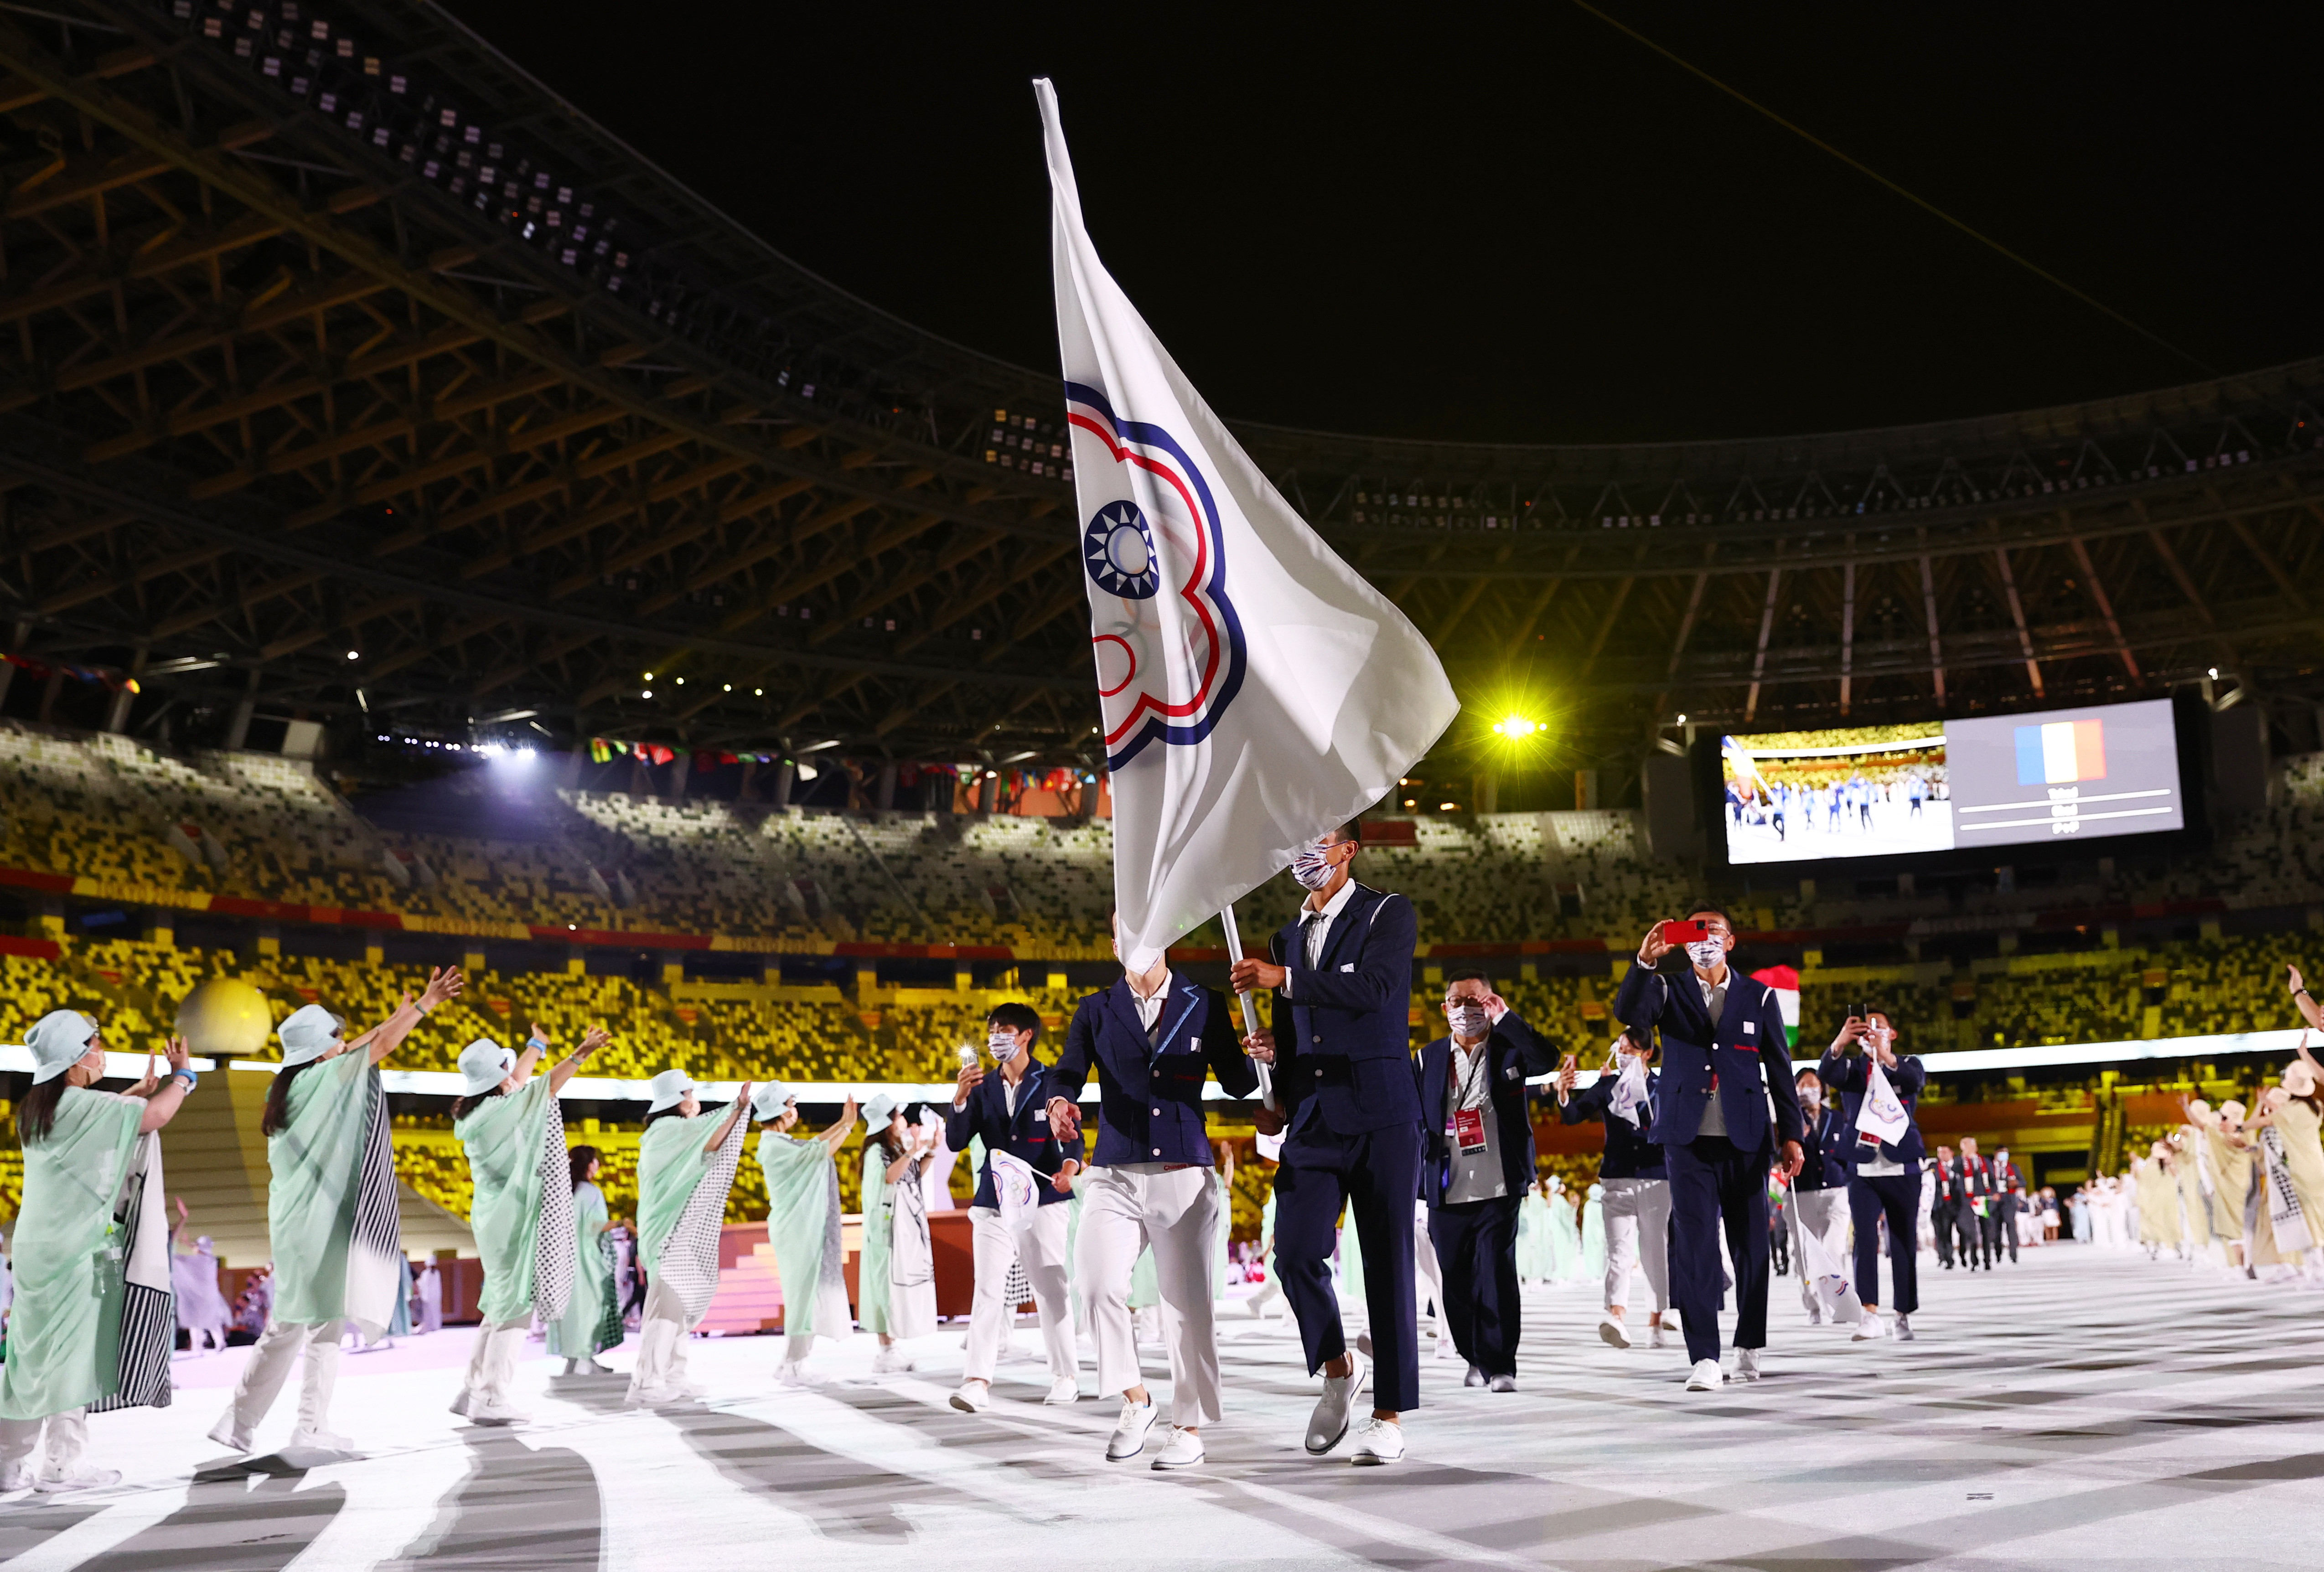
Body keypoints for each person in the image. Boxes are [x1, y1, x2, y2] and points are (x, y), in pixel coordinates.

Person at [1231, 820, 1423, 1465]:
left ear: (1349, 850)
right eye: (1296, 842)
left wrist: (1283, 979)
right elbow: (1299, 1034)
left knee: (1388, 1268)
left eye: (1321, 841)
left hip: (1382, 1115)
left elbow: (1376, 993)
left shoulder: (1386, 915)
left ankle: (1389, 1416)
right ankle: (1338, 1366)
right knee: (1293, 1254)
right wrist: (1274, 1069)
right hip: (1312, 1120)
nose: (1305, 854)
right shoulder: (1287, 935)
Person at [211, 971, 464, 1454]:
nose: (345, 1042)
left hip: (293, 1223)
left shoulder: (289, 1087)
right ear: (321, 1049)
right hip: (321, 1223)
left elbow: (364, 1045)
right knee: (324, 1326)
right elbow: (378, 1048)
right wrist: (427, 1004)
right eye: (337, 1038)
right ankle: (309, 1425)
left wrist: (396, 1015)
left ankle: (238, 1419)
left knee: (287, 1323)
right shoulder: (324, 1078)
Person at [1046, 922, 1256, 1468]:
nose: (1135, 938)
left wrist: (1263, 1052)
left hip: (1183, 1172)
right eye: (1123, 931)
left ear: (1165, 932)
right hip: (1114, 1171)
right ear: (1114, 945)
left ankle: (1188, 1427)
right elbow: (1069, 1068)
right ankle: (1135, 1399)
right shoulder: (1095, 1009)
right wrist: (1058, 1103)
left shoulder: (1203, 1002)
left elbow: (1237, 1081)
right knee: (1093, 1285)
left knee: (1186, 1309)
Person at [0, 1012, 195, 1493]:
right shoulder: (82, 1105)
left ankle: (7, 1463)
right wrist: (183, 1077)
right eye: (94, 1043)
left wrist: (132, 1092)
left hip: (33, 1247)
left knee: (30, 1358)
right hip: (76, 1249)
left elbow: (92, 1123)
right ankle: (63, 1464)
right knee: (73, 1355)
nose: (100, 1050)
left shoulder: (35, 1109)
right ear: (72, 1058)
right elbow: (157, 1116)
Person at [1612, 908, 1806, 1391]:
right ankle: (1704, 1357)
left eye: (1712, 931)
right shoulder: (1667, 988)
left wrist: (1793, 1134)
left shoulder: (1758, 995)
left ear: (1731, 941)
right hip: (1686, 1138)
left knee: (1752, 1247)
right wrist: (1644, 961)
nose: (1704, 940)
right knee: (1695, 1248)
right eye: (1694, 932)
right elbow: (1630, 1016)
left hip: (1747, 1138)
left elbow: (1780, 1069)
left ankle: (1749, 1342)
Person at [450, 1025, 606, 1425]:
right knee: (514, 1312)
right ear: (501, 1077)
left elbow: (517, 1082)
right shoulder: (508, 1108)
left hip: (493, 1221)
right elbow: (542, 1087)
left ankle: (471, 1390)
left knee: (497, 1308)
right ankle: (491, 1397)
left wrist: (535, 1044)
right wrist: (580, 1053)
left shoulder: (478, 1115)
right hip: (515, 1221)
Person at [1413, 969, 1555, 1393]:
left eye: (1475, 1001)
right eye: (1457, 1001)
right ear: (1444, 1008)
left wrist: (1506, 1018)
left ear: (1491, 1002)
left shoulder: (1510, 1049)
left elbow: (1547, 1058)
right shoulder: (1426, 1058)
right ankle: (1472, 1356)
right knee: (1453, 1279)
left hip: (1500, 1182)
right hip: (1446, 1183)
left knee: (1495, 1271)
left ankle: (1501, 1364)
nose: (1465, 1009)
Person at [949, 1002, 1084, 1414]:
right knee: (988, 1288)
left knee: (1050, 1288)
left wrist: (1069, 1168)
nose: (994, 1038)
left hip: (1043, 1198)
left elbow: (1071, 1134)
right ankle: (976, 1381)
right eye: (990, 1030)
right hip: (993, 1201)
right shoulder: (980, 1087)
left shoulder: (1051, 1081)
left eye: (1003, 1029)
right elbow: (956, 1141)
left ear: (1026, 1035)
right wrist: (958, 1099)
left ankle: (1065, 1376)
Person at [629, 1068, 755, 1407]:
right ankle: (646, 1381)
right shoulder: (668, 1130)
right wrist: (737, 1108)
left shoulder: (671, 1131)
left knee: (677, 1306)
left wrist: (737, 1111)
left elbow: (706, 1142)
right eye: (690, 1094)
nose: (694, 1101)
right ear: (679, 1101)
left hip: (673, 1226)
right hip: (667, 1229)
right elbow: (710, 1140)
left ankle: (673, 1376)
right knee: (664, 1309)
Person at [1556, 1026, 1672, 1349]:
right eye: (1618, 1046)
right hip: (1616, 1176)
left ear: (1647, 1053)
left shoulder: (1661, 1088)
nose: (1621, 1053)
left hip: (1655, 1178)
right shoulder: (1607, 1085)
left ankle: (1656, 1319)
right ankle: (1616, 1316)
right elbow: (1573, 1115)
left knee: (1653, 1251)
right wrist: (1564, 1094)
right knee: (1618, 1252)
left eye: (1629, 1048)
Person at [1818, 1010, 1925, 1343]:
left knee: (1902, 1241)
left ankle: (1903, 1313)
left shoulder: (1906, 1064)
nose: (1873, 1031)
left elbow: (1913, 1082)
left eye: (1880, 1026)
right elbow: (1827, 1073)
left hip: (1901, 1164)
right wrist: (1840, 1041)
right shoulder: (1852, 1069)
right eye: (1868, 1027)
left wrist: (1885, 1056)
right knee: (1864, 1239)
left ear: (1892, 1033)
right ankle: (1869, 1313)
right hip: (1862, 1166)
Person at [859, 1092, 940, 1366]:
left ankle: (890, 1348)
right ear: (888, 1123)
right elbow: (891, 1176)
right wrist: (911, 1150)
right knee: (883, 1286)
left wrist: (930, 1150)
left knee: (892, 1286)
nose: (905, 1121)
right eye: (899, 1116)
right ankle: (886, 1349)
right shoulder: (876, 1153)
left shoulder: (892, 1151)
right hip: (885, 1230)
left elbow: (913, 1175)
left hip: (898, 1229)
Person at [549, 1146, 623, 1376]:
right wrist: (621, 1224)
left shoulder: (562, 1191)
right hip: (585, 1262)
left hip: (562, 1263)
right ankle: (584, 1358)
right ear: (589, 1164)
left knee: (571, 1311)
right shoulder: (590, 1193)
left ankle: (574, 1360)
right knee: (589, 1308)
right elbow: (594, 1227)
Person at [1790, 1065, 1852, 1324]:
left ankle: (1839, 1302)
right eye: (1803, 1085)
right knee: (1804, 1254)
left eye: (1814, 1084)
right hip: (1802, 1192)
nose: (1809, 1090)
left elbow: (1848, 1151)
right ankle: (1812, 1304)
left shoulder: (1837, 1118)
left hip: (1836, 1191)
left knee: (1834, 1249)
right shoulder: (1789, 1119)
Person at [1986, 1146, 2025, 1267]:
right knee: (1996, 1229)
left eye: (2006, 1153)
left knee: (2011, 1226)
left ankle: (2014, 1254)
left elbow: (2023, 1182)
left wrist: (2016, 1183)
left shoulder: (2013, 1167)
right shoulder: (1989, 1168)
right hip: (1995, 1201)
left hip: (2009, 1200)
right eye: (2002, 1153)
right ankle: (1998, 1253)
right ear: (1996, 1154)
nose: (2004, 1155)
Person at [1929, 1144, 1961, 1268]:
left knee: (1949, 1231)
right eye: (1940, 1152)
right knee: (1940, 1232)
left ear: (1952, 1153)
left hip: (1954, 1205)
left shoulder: (1958, 1166)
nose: (1942, 1155)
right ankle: (1944, 1257)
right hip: (1937, 1205)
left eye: (1945, 1152)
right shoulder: (1933, 1167)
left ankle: (1952, 1256)